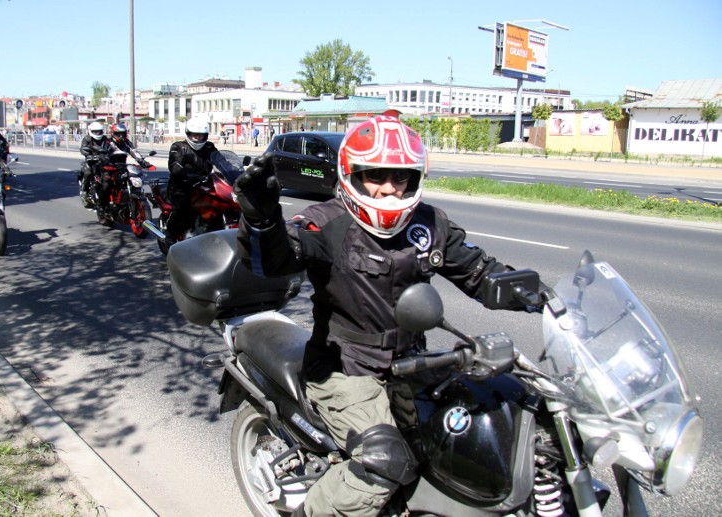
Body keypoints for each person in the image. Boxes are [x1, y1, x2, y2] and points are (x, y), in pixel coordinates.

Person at [233, 114, 536, 517]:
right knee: (384, 463)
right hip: (345, 368)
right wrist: (261, 219)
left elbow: (479, 272)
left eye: (401, 176)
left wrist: (543, 296)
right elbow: (277, 259)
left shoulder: (428, 224)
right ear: (352, 175)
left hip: (413, 362)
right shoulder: (328, 223)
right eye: (375, 174)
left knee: (488, 427)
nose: (389, 188)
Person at [163, 117, 218, 247]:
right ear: (188, 134)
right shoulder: (178, 147)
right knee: (182, 207)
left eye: (201, 136)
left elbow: (220, 160)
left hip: (202, 185)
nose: (198, 139)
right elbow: (175, 164)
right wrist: (187, 174)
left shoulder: (209, 147)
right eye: (195, 136)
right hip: (181, 186)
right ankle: (170, 235)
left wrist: (233, 170)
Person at [78, 122, 114, 221]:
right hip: (91, 161)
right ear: (91, 131)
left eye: (99, 131)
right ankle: (85, 191)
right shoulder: (87, 139)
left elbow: (111, 148)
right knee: (88, 173)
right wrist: (88, 155)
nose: (98, 133)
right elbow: (83, 149)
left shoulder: (105, 139)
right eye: (95, 132)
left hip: (103, 161)